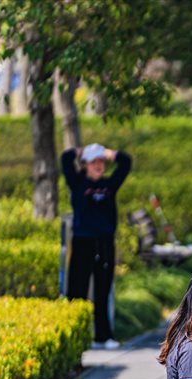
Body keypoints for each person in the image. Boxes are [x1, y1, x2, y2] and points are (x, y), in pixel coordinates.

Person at [61, 143, 132, 349]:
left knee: (103, 289)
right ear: (85, 165)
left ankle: (103, 336)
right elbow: (65, 160)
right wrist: (81, 151)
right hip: (83, 242)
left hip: (104, 243)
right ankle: (77, 336)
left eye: (101, 162)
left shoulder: (109, 185)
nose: (98, 166)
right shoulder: (77, 183)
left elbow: (126, 163)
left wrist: (109, 153)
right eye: (94, 162)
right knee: (77, 290)